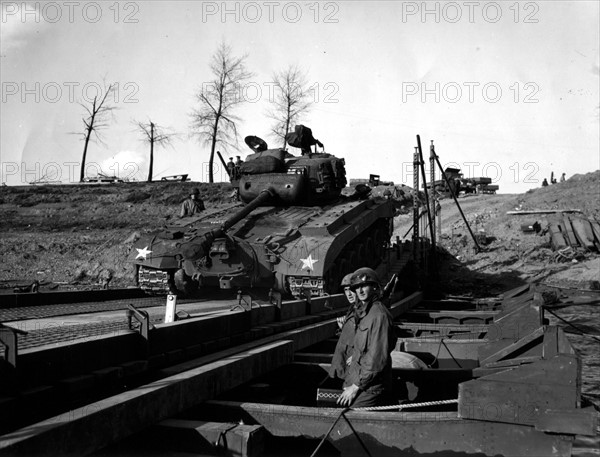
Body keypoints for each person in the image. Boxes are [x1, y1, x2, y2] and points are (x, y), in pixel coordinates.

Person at [337, 267, 396, 408]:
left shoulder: (379, 315)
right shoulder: (365, 313)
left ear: (375, 287)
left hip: (370, 387)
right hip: (361, 380)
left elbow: (376, 358)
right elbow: (363, 347)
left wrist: (355, 387)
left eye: (364, 286)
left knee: (352, 419)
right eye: (357, 287)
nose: (360, 291)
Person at [329, 274, 358, 380]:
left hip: (353, 370)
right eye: (346, 290)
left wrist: (357, 356)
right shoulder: (352, 310)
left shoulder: (365, 313)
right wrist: (344, 329)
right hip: (343, 368)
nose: (349, 294)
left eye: (352, 290)